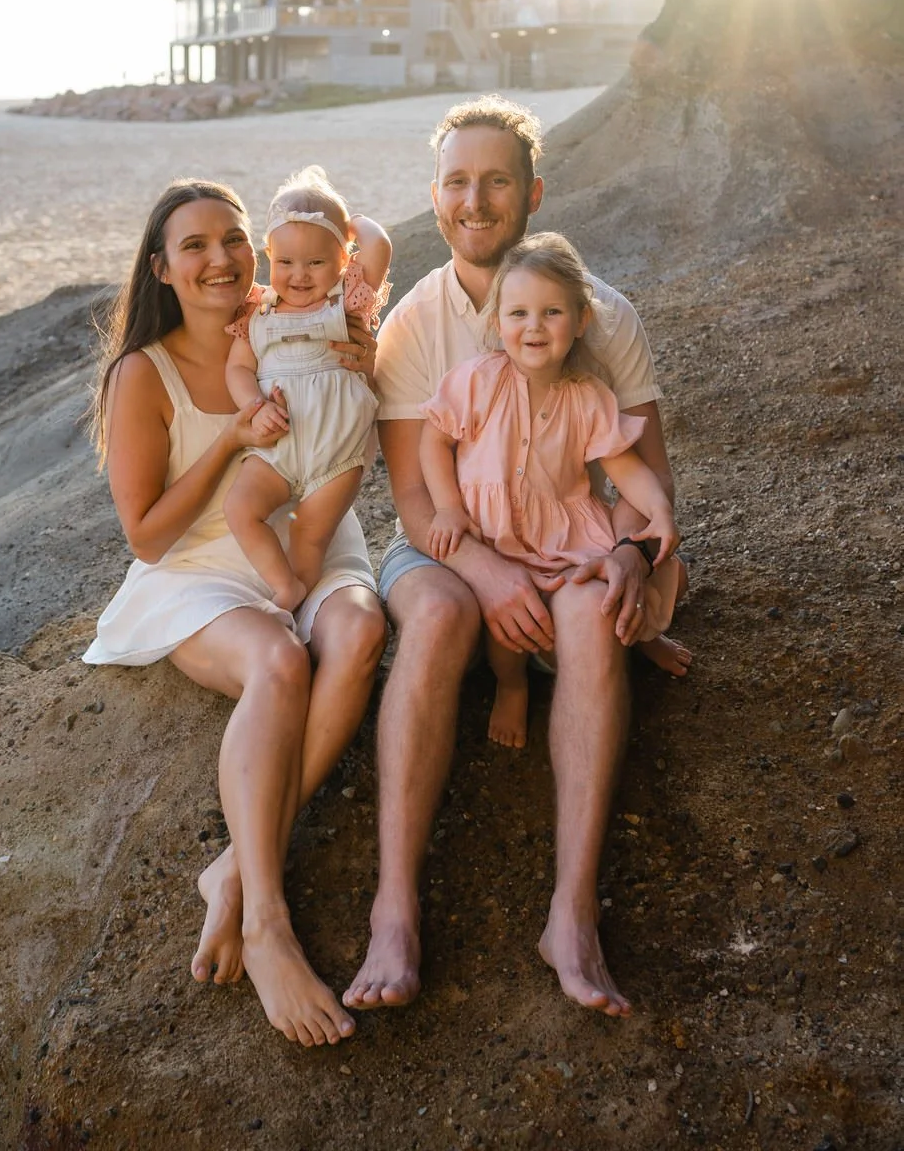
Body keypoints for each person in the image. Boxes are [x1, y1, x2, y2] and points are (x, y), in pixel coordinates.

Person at [343, 95, 691, 1021]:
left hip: (569, 536)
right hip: (448, 544)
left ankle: (570, 916)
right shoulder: (415, 325)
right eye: (457, 181)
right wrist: (488, 574)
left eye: (496, 179)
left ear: (531, 191)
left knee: (591, 605)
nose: (475, 199)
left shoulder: (598, 313)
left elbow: (643, 478)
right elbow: (417, 499)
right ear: (436, 195)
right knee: (446, 613)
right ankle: (393, 911)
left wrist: (627, 556)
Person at [83, 178, 387, 1047]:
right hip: (200, 570)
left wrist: (364, 354)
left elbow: (359, 269)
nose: (219, 259)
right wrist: (228, 438)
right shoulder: (142, 373)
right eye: (194, 246)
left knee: (360, 629)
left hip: (308, 540)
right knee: (280, 663)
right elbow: (145, 536)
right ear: (162, 269)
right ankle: (265, 923)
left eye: (233, 239)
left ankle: (230, 870)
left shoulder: (292, 305)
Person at [421, 232, 683, 750]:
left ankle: (643, 640)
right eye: (518, 314)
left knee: (612, 598)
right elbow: (433, 441)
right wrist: (449, 508)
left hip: (566, 533)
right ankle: (512, 685)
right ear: (497, 324)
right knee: (510, 623)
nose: (534, 326)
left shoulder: (588, 396)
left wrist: (658, 512)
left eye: (551, 312)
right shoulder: (476, 381)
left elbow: (625, 465)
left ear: (580, 320)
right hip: (496, 534)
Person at [224, 166, 392, 612]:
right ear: (268, 256)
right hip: (276, 445)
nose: (299, 275)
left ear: (342, 261)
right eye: (285, 262)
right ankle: (285, 587)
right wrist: (254, 406)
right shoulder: (256, 312)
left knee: (310, 537)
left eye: (316, 262)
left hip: (336, 453)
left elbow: (379, 247)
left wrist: (350, 222)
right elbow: (238, 369)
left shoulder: (348, 302)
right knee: (241, 509)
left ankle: (302, 602)